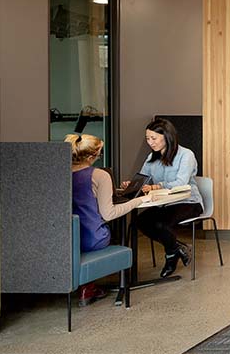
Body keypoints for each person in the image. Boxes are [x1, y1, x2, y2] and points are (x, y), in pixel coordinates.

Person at [66, 133, 139, 305]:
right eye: (99, 153)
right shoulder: (99, 175)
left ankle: (87, 284)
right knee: (110, 230)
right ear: (92, 156)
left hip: (66, 239)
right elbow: (109, 214)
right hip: (91, 239)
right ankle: (90, 287)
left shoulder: (59, 174)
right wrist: (137, 201)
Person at [132, 118, 204, 278]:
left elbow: (181, 182)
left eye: (154, 138)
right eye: (148, 139)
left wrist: (157, 186)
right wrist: (133, 184)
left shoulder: (186, 155)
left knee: (160, 224)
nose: (150, 142)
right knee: (139, 221)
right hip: (163, 203)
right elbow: (144, 177)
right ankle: (177, 248)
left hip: (188, 201)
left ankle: (171, 256)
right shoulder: (152, 157)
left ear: (167, 136)